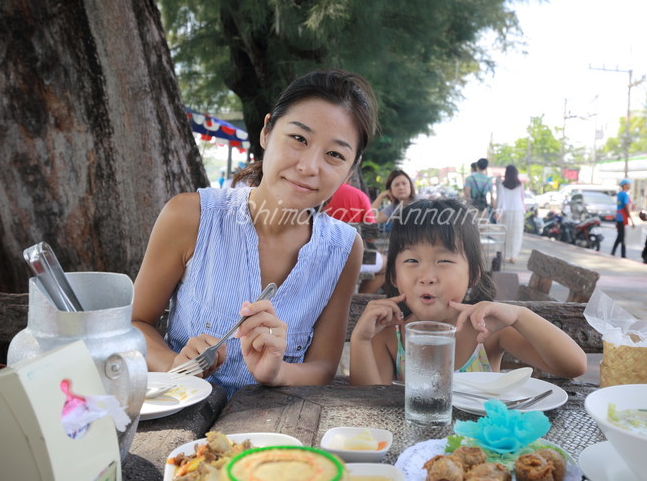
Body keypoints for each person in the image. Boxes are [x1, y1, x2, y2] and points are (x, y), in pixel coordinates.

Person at [131, 69, 378, 398]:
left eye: (334, 155)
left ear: (351, 168)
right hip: (181, 420)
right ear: (266, 132)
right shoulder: (191, 216)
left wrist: (277, 371)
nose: (308, 166)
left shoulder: (344, 250)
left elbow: (322, 367)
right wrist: (175, 366)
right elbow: (134, 323)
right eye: (299, 138)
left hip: (277, 435)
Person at [349, 198, 587, 385]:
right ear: (393, 275)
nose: (427, 277)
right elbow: (371, 403)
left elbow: (573, 366)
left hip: (480, 445)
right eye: (412, 260)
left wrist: (520, 316)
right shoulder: (390, 334)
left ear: (473, 274)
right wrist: (361, 339)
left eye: (443, 261)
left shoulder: (487, 330)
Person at [494, 164, 526, 263]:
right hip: (518, 212)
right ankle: (513, 256)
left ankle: (502, 254)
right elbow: (522, 198)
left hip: (506, 212)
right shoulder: (520, 185)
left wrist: (497, 211)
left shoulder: (502, 185)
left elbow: (500, 199)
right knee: (517, 235)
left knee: (504, 234)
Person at [611, 178, 636, 258]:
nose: (630, 185)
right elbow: (626, 207)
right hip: (622, 217)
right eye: (629, 184)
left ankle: (617, 252)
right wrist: (631, 220)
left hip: (619, 216)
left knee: (621, 236)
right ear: (625, 185)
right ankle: (622, 254)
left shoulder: (619, 194)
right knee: (622, 236)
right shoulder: (625, 195)